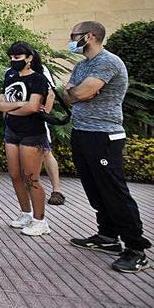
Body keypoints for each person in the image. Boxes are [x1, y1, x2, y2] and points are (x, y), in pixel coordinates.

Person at [63, 21, 150, 273]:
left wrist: (79, 92)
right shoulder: (82, 65)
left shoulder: (108, 62)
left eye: (74, 36)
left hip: (104, 136)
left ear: (89, 37)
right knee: (95, 189)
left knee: (114, 191)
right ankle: (108, 236)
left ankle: (135, 248)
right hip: (81, 133)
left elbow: (80, 93)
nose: (70, 40)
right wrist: (78, 92)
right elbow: (70, 93)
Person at [0, 42, 53, 236]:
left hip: (32, 133)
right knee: (15, 175)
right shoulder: (9, 75)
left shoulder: (38, 79)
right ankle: (25, 213)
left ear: (28, 58)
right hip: (12, 132)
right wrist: (20, 104)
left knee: (31, 178)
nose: (13, 61)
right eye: (11, 57)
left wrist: (11, 108)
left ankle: (40, 220)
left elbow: (34, 108)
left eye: (18, 58)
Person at [40, 65, 65, 206]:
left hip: (37, 120)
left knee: (46, 152)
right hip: (16, 123)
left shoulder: (41, 69)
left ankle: (57, 190)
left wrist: (45, 115)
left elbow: (51, 92)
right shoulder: (10, 72)